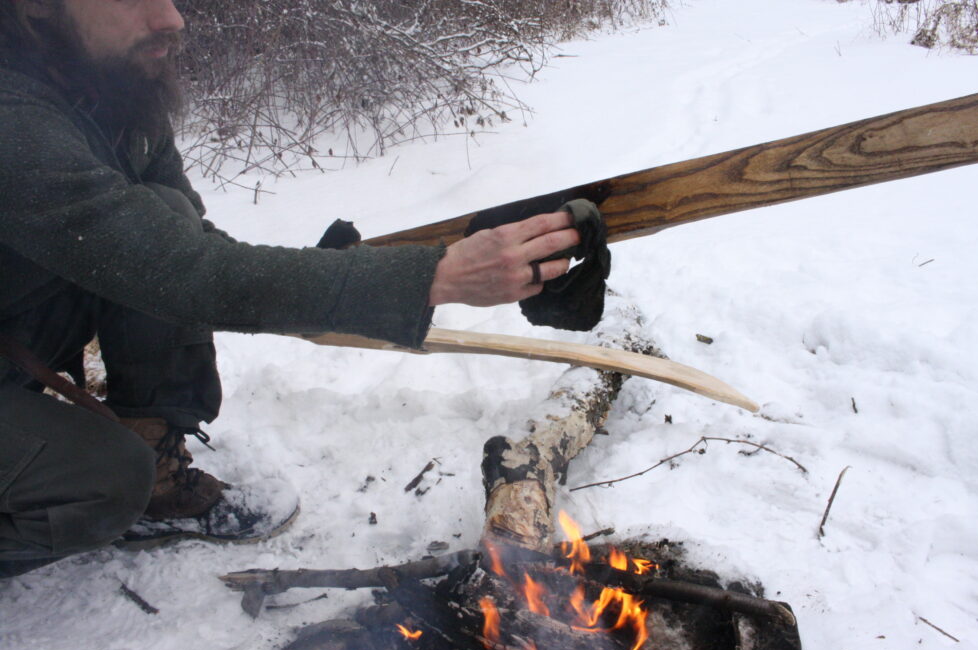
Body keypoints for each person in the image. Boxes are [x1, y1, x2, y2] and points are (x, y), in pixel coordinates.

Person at [0, 0, 580, 578]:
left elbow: (179, 244)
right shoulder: (13, 118)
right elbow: (184, 271)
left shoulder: (102, 85)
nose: (171, 19)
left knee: (165, 210)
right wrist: (430, 277)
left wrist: (325, 292)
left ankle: (156, 473)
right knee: (106, 480)